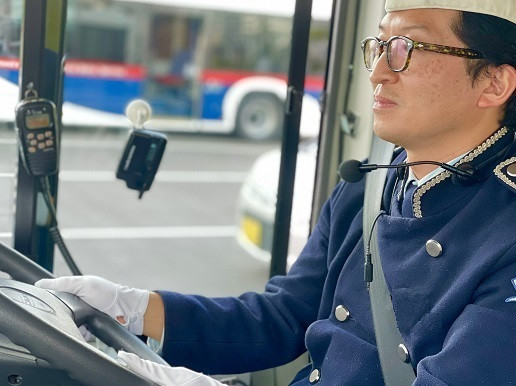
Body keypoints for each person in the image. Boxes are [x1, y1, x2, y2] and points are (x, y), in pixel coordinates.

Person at [36, 0, 516, 384]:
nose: (377, 73)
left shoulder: (506, 231)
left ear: (494, 82)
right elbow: (284, 317)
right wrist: (133, 308)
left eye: (408, 48)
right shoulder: (370, 185)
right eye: (381, 47)